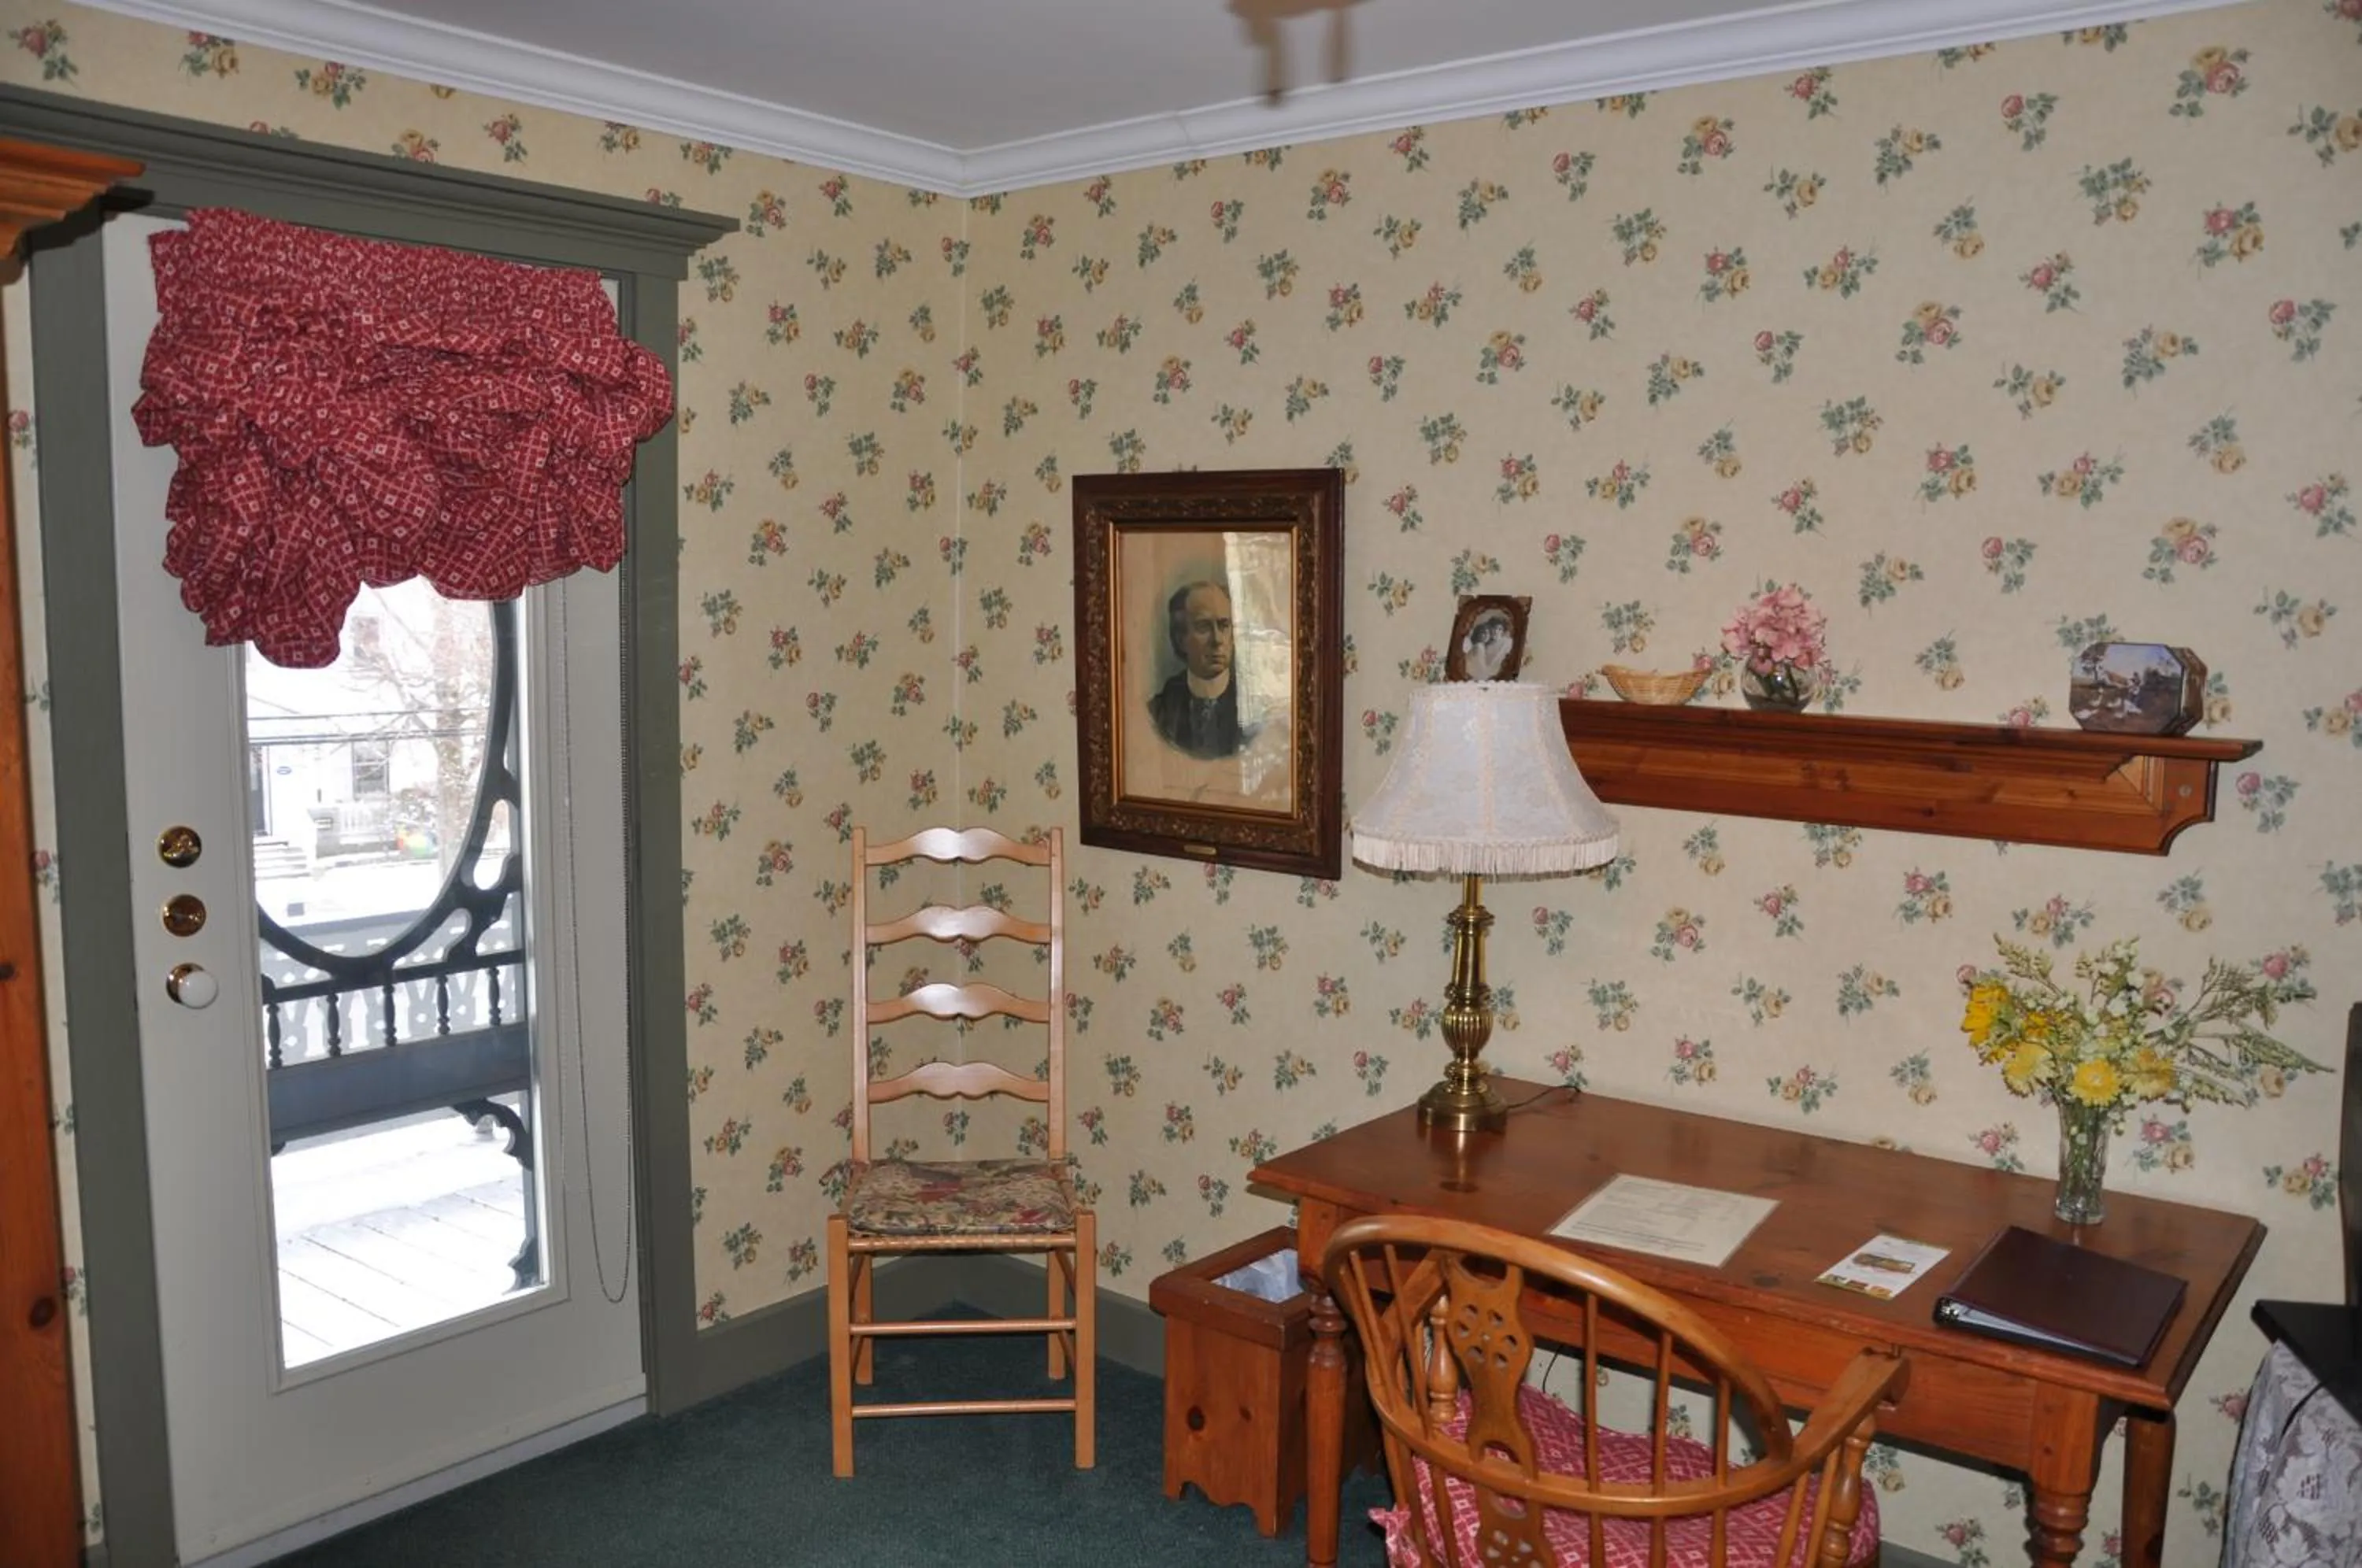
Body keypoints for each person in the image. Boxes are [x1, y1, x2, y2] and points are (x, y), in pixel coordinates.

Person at [1148, 579, 1247, 759]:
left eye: (1224, 626)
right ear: (1181, 639)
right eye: (1204, 627)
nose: (1217, 640)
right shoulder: (1159, 713)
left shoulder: (1254, 711)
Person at [1462, 610, 1512, 681]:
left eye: (1499, 629)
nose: (1496, 631)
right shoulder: (1484, 644)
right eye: (1494, 628)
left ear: (1503, 631)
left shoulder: (1507, 643)